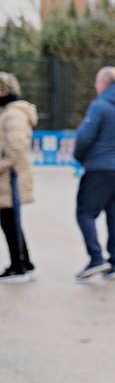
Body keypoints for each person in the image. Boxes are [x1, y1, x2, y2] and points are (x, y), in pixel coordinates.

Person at [72, 66, 115, 282]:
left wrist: (80, 158)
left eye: (96, 82)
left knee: (85, 213)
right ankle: (113, 264)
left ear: (103, 84)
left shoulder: (99, 106)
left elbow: (84, 137)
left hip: (99, 169)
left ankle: (96, 258)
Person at [0, 72, 37, 283]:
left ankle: (19, 266)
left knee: (10, 223)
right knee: (10, 222)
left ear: (3, 90)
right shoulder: (7, 112)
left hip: (11, 177)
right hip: (7, 178)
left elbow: (14, 149)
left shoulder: (14, 114)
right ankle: (24, 263)